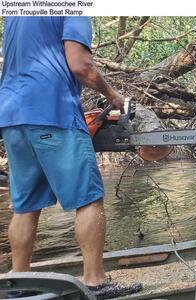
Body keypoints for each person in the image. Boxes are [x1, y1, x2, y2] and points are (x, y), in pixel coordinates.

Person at [0, 17, 142, 299]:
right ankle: (95, 281)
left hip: (12, 115)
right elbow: (80, 66)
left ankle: (19, 281)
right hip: (52, 111)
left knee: (25, 205)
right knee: (88, 198)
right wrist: (113, 96)